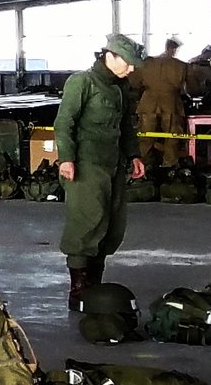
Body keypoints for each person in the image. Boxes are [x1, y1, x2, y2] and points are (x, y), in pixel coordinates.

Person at [54, 33, 145, 310]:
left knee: (111, 224)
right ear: (110, 56)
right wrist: (66, 159)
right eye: (128, 63)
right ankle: (79, 290)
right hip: (86, 166)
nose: (131, 69)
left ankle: (95, 284)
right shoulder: (82, 82)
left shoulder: (120, 87)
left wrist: (134, 155)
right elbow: (63, 123)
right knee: (86, 223)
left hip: (113, 164)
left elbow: (125, 126)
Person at [135, 36, 189, 168]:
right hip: (170, 104)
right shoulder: (180, 65)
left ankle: (144, 167)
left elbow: (135, 83)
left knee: (145, 138)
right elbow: (190, 88)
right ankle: (169, 166)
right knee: (172, 137)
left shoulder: (147, 63)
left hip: (148, 104)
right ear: (175, 49)